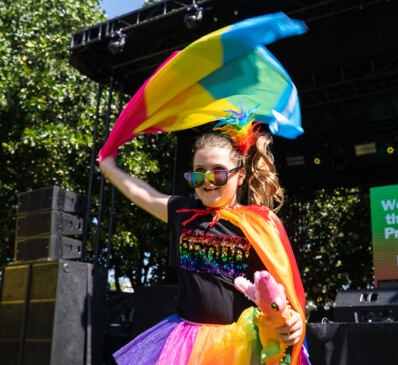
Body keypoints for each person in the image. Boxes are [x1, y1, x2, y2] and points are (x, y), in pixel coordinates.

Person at [99, 109, 309, 364]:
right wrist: (109, 167)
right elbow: (146, 195)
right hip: (186, 342)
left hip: (237, 346)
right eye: (199, 173)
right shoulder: (184, 212)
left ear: (240, 175)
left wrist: (293, 317)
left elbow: (279, 286)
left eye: (218, 173)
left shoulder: (258, 224)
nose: (207, 181)